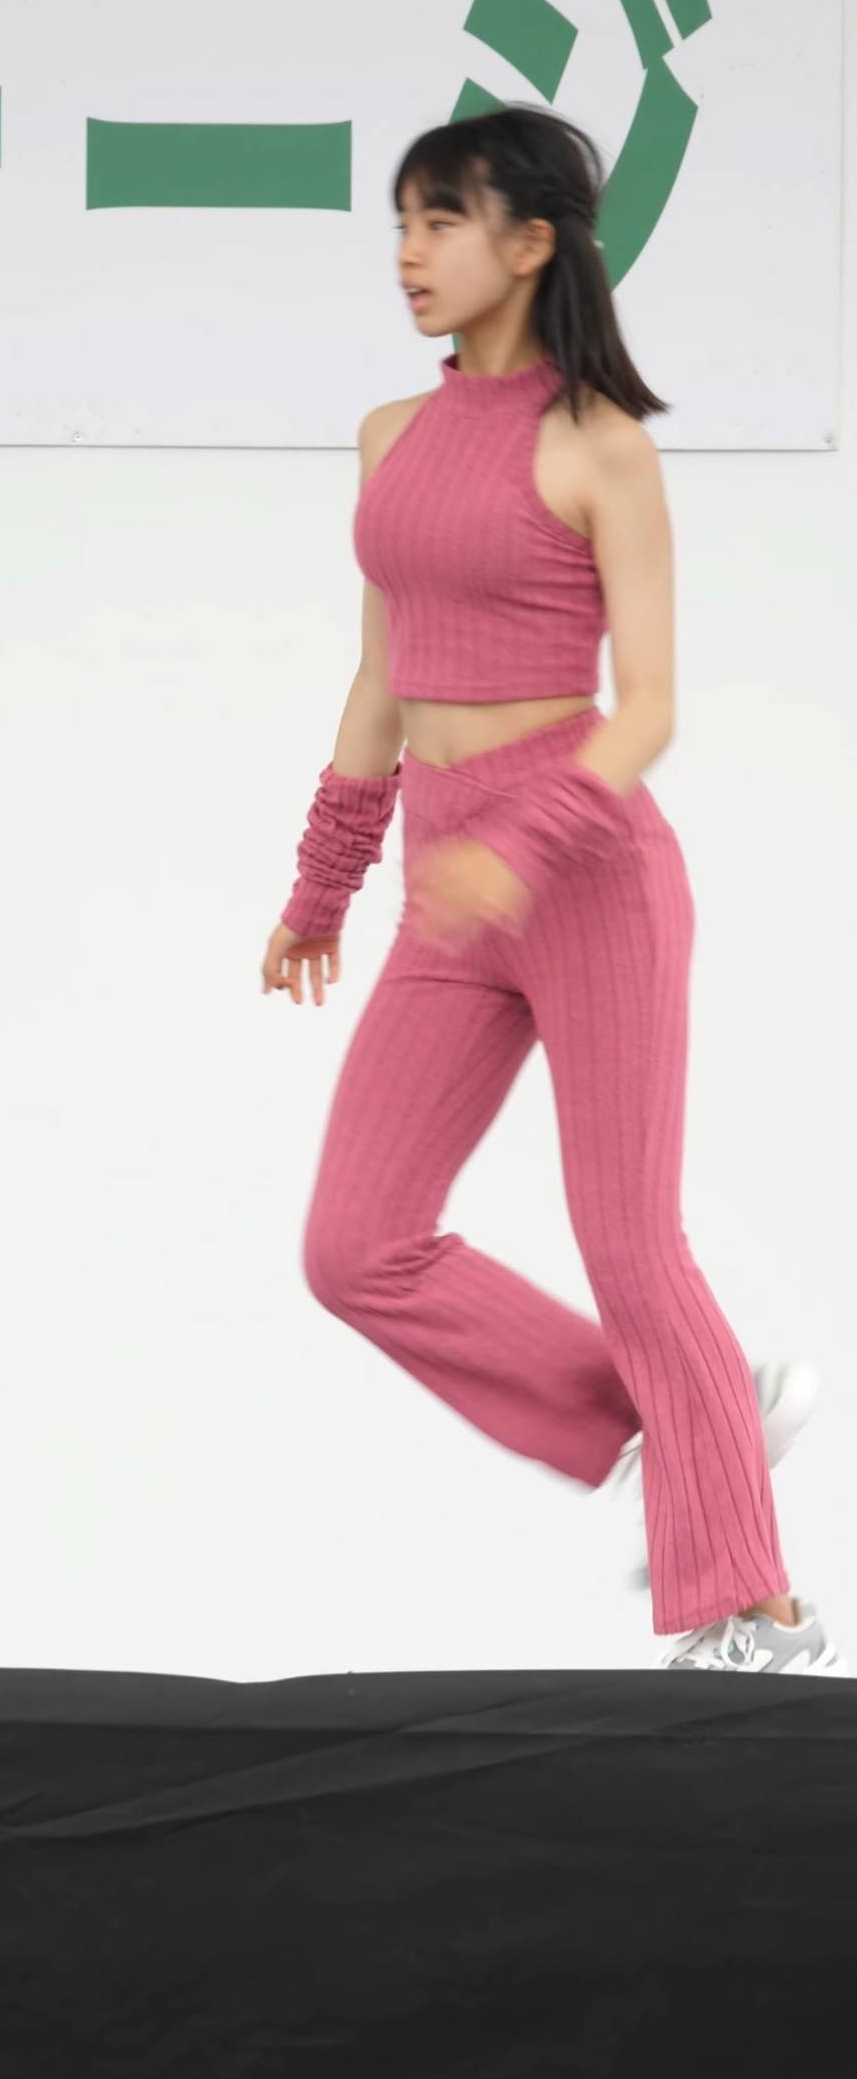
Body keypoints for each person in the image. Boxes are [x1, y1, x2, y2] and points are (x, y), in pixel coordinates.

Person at [261, 104, 846, 1676]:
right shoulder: (392, 437)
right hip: (446, 886)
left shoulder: (600, 447)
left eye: (441, 221)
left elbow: (647, 709)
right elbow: (381, 679)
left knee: (631, 1246)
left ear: (531, 243)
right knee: (355, 1246)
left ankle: (755, 1614)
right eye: (400, 223)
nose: (408, 254)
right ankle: (687, 1416)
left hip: (585, 875)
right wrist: (324, 884)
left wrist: (515, 848)